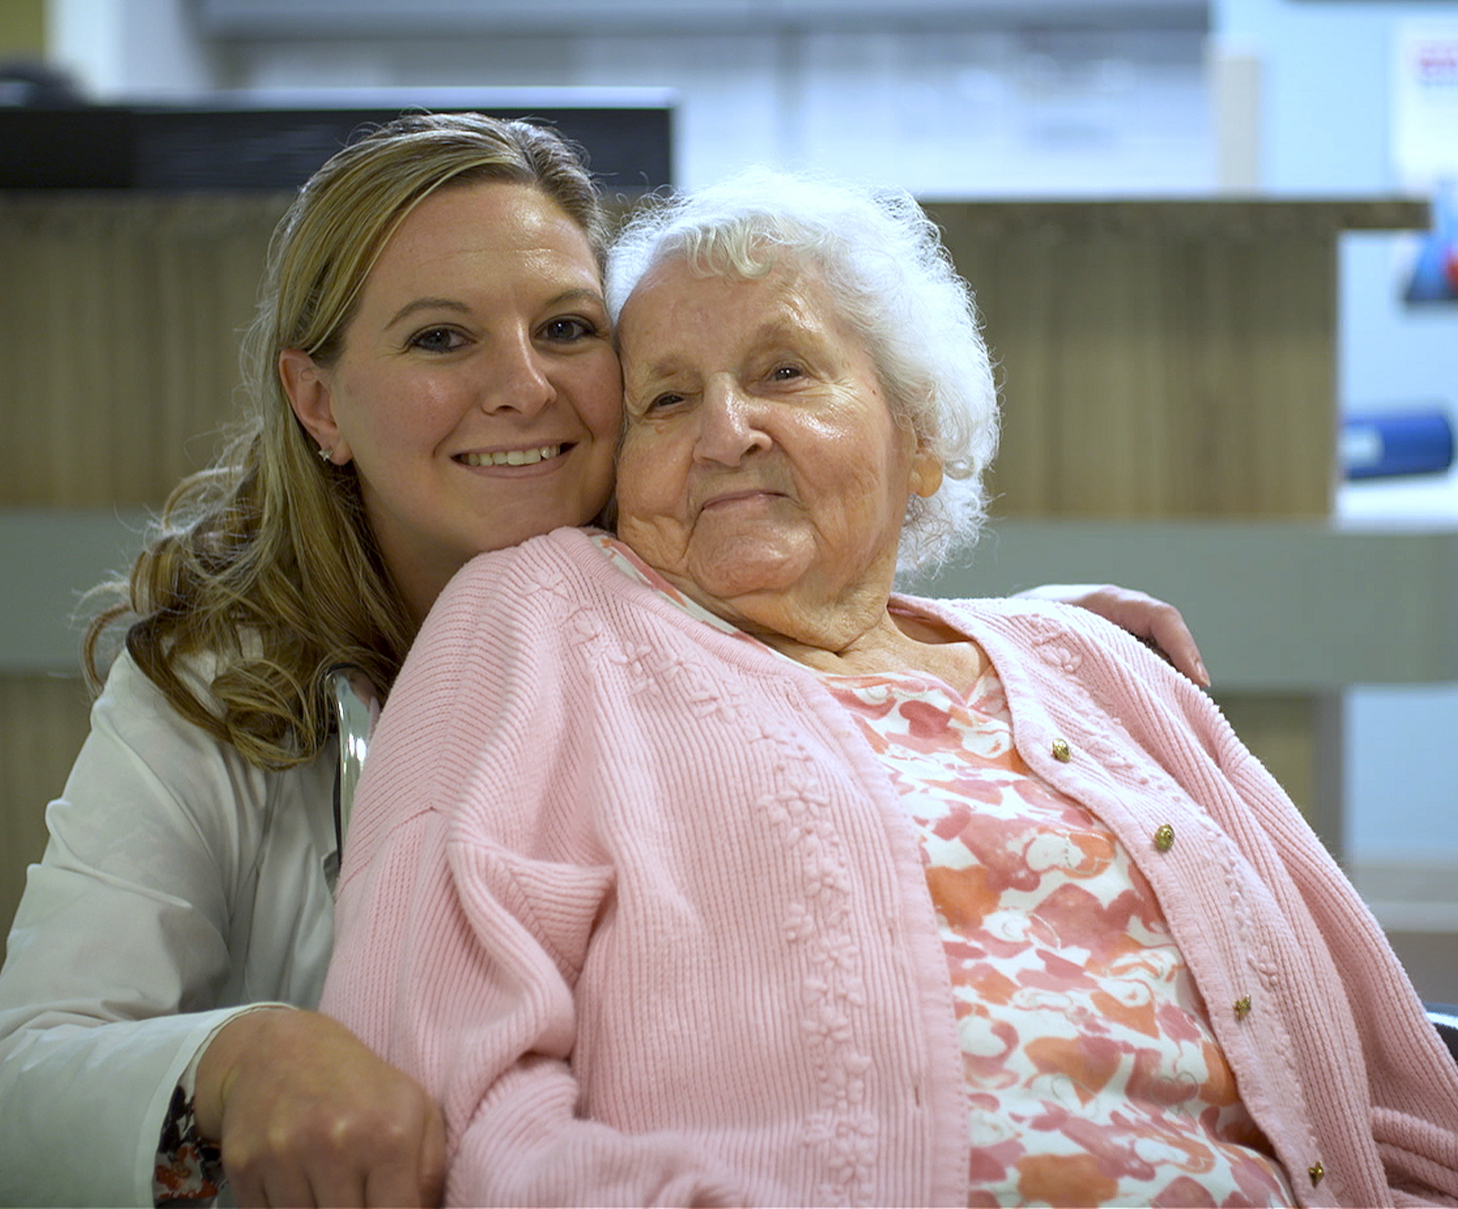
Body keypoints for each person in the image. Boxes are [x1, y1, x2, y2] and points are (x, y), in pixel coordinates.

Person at [0, 114, 1203, 1209]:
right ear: (319, 402)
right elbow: (23, 1076)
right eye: (440, 337)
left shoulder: (686, 593)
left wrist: (1012, 644)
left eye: (568, 328)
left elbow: (826, 614)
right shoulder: (219, 689)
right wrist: (236, 1056)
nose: (523, 386)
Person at [321, 167, 1458, 1208]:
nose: (724, 431)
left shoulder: (1095, 665)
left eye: (783, 371)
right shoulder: (545, 622)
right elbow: (446, 1085)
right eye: (666, 399)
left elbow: (1398, 1096)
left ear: (917, 439)